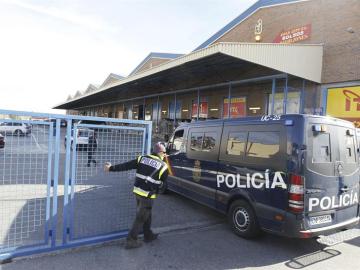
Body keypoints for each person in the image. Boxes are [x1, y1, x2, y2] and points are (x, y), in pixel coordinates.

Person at [104, 142, 168, 249]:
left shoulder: (142, 158)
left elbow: (126, 166)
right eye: (165, 152)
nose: (165, 155)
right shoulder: (163, 166)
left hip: (137, 192)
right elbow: (163, 185)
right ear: (160, 152)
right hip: (148, 196)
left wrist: (111, 168)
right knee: (141, 218)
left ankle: (148, 235)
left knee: (147, 214)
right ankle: (131, 240)